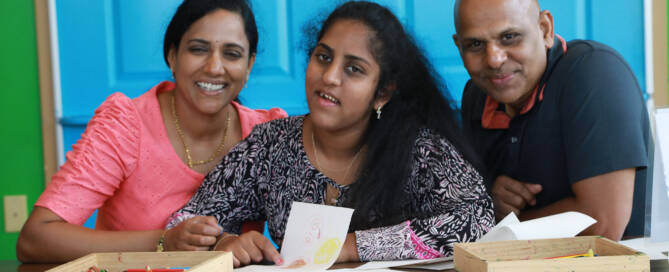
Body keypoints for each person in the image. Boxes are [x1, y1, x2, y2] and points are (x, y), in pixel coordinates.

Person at [165, 1, 494, 267]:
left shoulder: (419, 150)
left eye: (354, 69)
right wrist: (226, 243)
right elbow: (185, 220)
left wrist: (351, 246)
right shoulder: (268, 146)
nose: (330, 77)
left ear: (382, 93)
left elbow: (478, 221)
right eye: (323, 57)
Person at [16, 0, 286, 263]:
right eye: (198, 49)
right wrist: (163, 242)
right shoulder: (125, 126)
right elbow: (36, 238)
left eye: (232, 54)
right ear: (172, 56)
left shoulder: (267, 134)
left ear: (248, 66)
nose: (215, 67)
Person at [453, 0, 650, 241]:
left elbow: (603, 224)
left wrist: (499, 226)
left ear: (545, 30)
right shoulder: (477, 96)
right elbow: (467, 208)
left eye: (510, 37)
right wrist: (490, 203)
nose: (494, 59)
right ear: (458, 48)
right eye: (475, 44)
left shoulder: (594, 73)